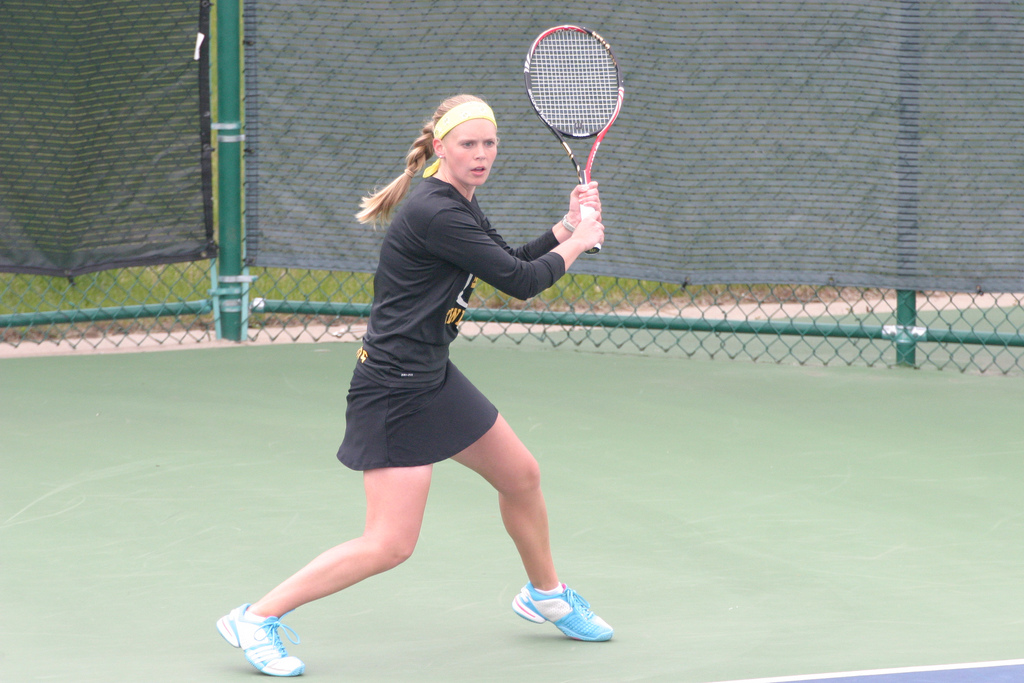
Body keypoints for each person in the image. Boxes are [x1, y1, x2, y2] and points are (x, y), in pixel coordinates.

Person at [216, 93, 612, 677]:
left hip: (431, 374)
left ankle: (545, 594)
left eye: (489, 144)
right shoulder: (436, 210)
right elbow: (521, 282)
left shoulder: (456, 200)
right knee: (390, 544)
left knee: (520, 475)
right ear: (439, 148)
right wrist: (579, 240)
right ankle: (255, 617)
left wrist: (565, 226)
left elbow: (504, 258)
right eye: (468, 144)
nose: (480, 155)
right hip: (395, 389)